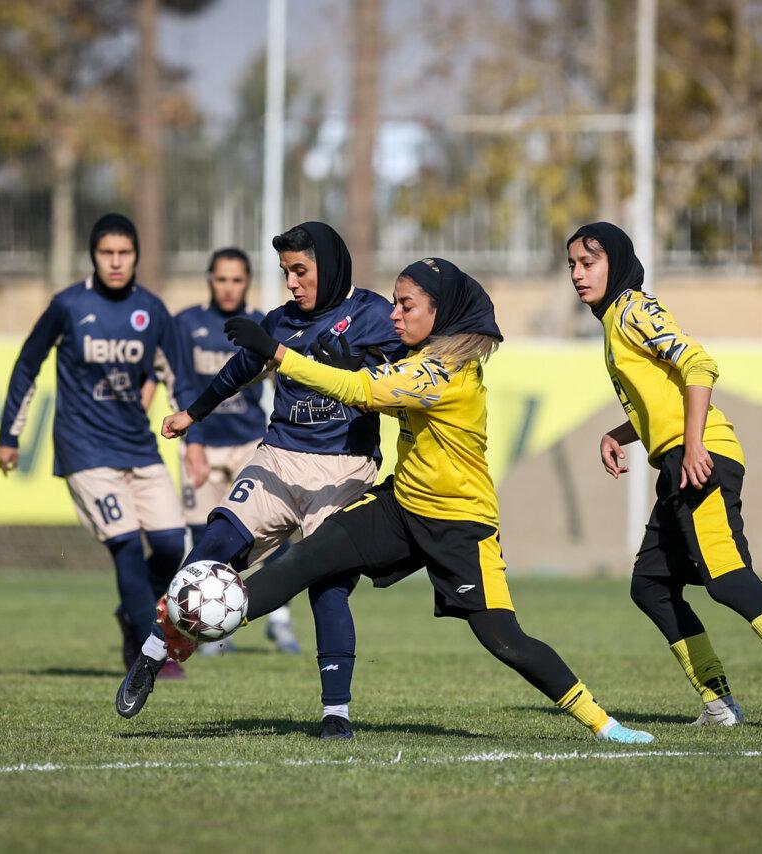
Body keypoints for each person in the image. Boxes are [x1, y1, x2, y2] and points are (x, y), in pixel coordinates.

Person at [118, 255, 657, 745]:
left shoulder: (442, 372)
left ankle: (603, 723)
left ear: (439, 313)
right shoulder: (422, 356)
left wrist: (279, 353)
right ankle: (191, 629)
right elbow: (368, 379)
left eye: (407, 306)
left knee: (504, 640)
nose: (394, 314)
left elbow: (360, 390)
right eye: (394, 303)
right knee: (304, 561)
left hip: (459, 525)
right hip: (399, 507)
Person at [568, 220, 762, 731]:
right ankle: (719, 704)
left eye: (589, 262)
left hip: (699, 456)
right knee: (650, 585)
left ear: (617, 262)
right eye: (572, 264)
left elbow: (699, 365)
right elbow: (663, 397)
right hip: (679, 459)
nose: (577, 274)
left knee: (727, 578)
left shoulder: (633, 308)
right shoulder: (613, 320)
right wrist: (619, 433)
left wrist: (695, 444)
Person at [155, 222, 408, 739]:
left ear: (329, 267)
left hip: (345, 466)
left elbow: (414, 376)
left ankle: (336, 714)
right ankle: (151, 652)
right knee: (213, 544)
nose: (291, 282)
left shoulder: (375, 314)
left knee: (328, 588)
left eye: (300, 270)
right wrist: (192, 414)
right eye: (285, 272)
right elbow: (237, 371)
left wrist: (369, 376)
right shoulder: (281, 320)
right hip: (281, 456)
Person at [0, 213, 197, 678]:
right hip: (84, 448)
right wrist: (10, 434)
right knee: (125, 545)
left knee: (171, 545)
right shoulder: (68, 305)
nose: (116, 262)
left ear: (136, 256)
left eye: (124, 253)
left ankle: (133, 611)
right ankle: (149, 651)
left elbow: (178, 378)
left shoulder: (152, 310)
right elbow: (27, 364)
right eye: (107, 253)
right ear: (93, 256)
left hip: (138, 446)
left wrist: (194, 441)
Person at [175, 247, 298, 655]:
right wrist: (192, 444)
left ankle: (279, 619)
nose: (229, 287)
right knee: (205, 537)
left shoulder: (263, 324)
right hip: (202, 445)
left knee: (270, 531)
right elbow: (180, 384)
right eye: (222, 279)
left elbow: (283, 381)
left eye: (237, 280)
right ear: (210, 280)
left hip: (249, 443)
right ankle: (210, 627)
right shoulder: (186, 324)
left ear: (247, 282)